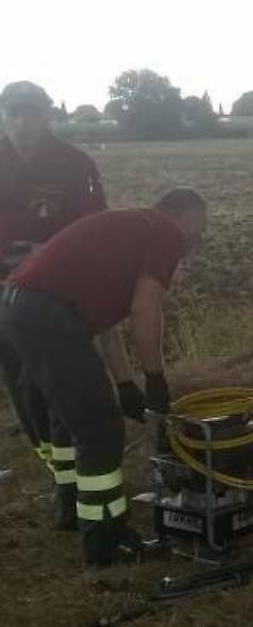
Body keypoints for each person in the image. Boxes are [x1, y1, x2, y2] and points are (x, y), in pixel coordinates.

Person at [0, 188, 207, 566]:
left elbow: (105, 327)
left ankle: (71, 509)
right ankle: (106, 540)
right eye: (200, 225)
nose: (198, 236)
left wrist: (127, 385)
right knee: (99, 427)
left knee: (70, 415)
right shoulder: (164, 231)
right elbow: (145, 309)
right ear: (183, 214)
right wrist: (156, 379)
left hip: (16, 308)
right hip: (46, 314)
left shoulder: (127, 228)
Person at [0, 81, 106, 277]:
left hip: (54, 273)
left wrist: (48, 253)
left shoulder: (77, 165)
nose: (22, 124)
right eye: (14, 113)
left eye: (32, 114)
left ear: (46, 117)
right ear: (3, 116)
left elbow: (97, 228)